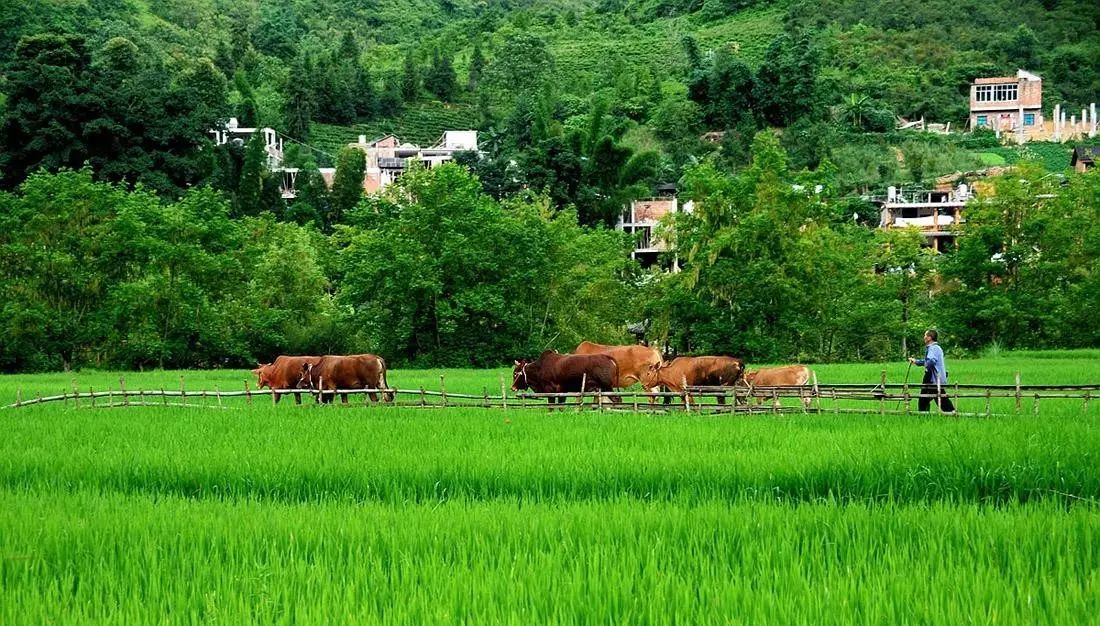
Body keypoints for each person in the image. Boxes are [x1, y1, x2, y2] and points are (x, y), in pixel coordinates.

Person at [909, 329, 955, 413]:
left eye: (925, 335)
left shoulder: (933, 348)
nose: (924, 337)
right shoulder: (936, 348)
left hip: (932, 377)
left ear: (929, 337)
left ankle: (951, 412)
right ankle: (951, 413)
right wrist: (917, 362)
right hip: (935, 377)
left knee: (927, 399)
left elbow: (931, 361)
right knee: (933, 398)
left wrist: (922, 363)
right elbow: (929, 360)